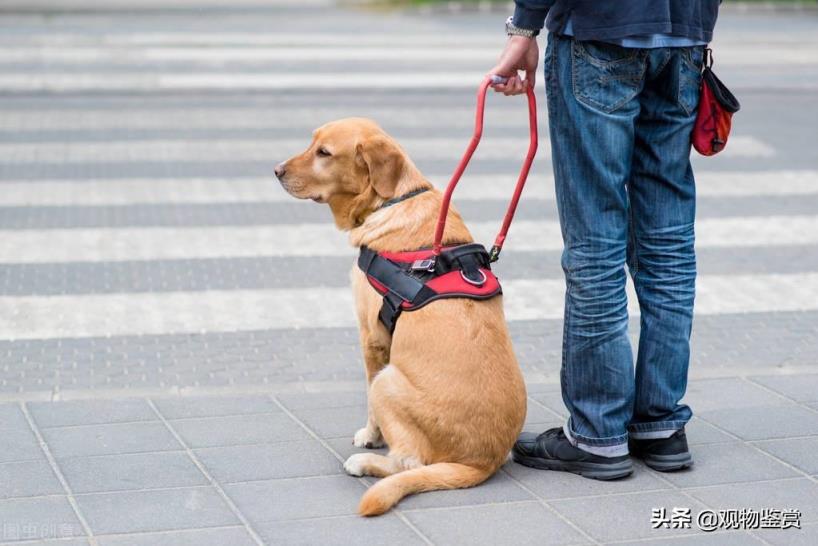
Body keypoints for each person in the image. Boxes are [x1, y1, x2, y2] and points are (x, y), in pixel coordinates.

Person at [489, 0, 720, 479]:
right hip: (684, 41)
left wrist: (525, 26)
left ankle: (598, 433)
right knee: (669, 244)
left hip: (601, 29)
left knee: (596, 242)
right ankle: (659, 424)